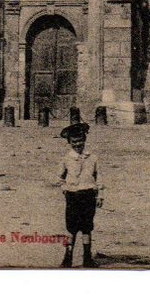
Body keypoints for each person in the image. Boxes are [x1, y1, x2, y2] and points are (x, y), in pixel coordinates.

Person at [58, 111, 103, 267]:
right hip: (72, 196)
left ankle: (87, 258)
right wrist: (64, 187)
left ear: (85, 140)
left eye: (80, 141)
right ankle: (67, 257)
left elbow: (99, 177)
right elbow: (60, 177)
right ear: (69, 142)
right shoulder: (66, 158)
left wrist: (100, 195)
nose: (78, 145)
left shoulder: (93, 158)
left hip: (88, 195)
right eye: (74, 142)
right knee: (71, 227)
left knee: (86, 227)